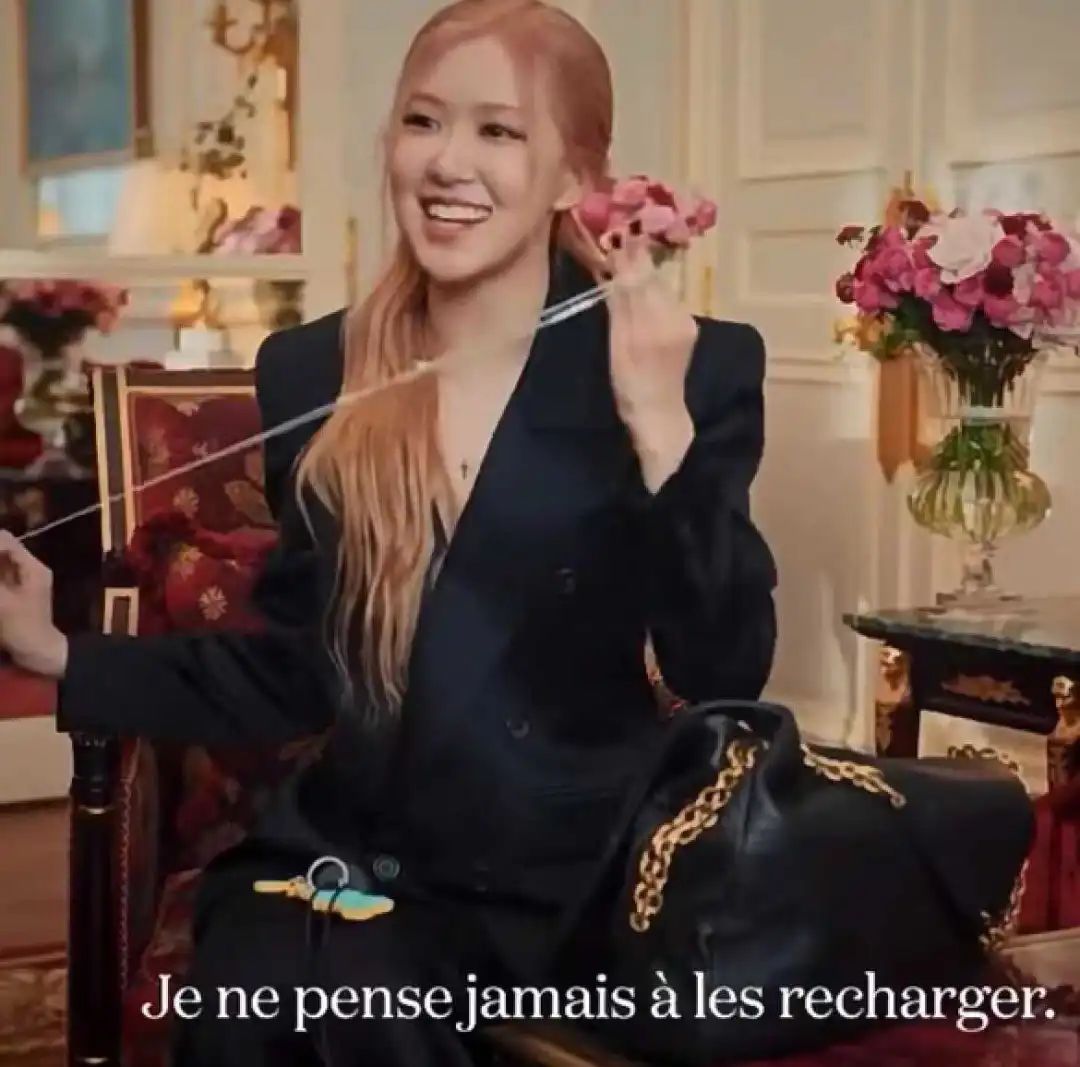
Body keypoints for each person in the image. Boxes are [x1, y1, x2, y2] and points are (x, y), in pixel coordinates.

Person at [0, 1, 776, 1063]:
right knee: (266, 995)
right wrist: (59, 652)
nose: (448, 161)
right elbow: (300, 670)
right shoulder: (311, 369)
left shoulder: (698, 364)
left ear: (575, 177)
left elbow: (726, 667)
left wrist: (659, 432)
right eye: (423, 120)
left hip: (579, 875)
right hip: (356, 857)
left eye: (498, 130)